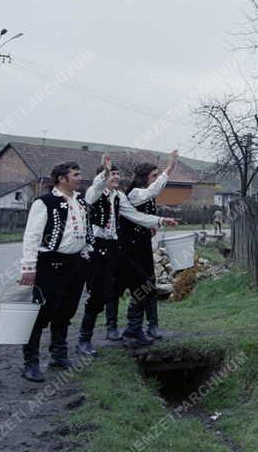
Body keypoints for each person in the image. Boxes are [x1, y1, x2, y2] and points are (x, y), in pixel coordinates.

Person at [77, 154, 177, 356]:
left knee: (144, 283)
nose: (116, 177)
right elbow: (96, 187)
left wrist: (160, 220)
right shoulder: (94, 193)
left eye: (116, 174)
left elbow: (135, 216)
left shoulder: (119, 196)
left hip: (115, 247)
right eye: (112, 174)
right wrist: (104, 172)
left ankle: (133, 328)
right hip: (97, 247)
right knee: (99, 294)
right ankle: (84, 339)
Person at [18, 162, 93, 381]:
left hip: (76, 263)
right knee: (42, 312)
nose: (80, 178)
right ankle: (30, 362)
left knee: (67, 309)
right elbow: (31, 236)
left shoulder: (80, 200)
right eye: (76, 174)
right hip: (51, 263)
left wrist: (87, 253)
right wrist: (29, 267)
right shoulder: (44, 202)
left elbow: (84, 231)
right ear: (62, 178)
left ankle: (58, 354)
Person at [119, 151, 177, 345]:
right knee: (141, 285)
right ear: (144, 177)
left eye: (157, 176)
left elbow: (145, 214)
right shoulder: (135, 193)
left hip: (143, 243)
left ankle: (151, 325)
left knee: (149, 284)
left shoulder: (145, 195)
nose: (155, 180)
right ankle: (133, 327)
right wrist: (169, 169)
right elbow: (151, 192)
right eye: (153, 176)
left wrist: (151, 226)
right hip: (131, 246)